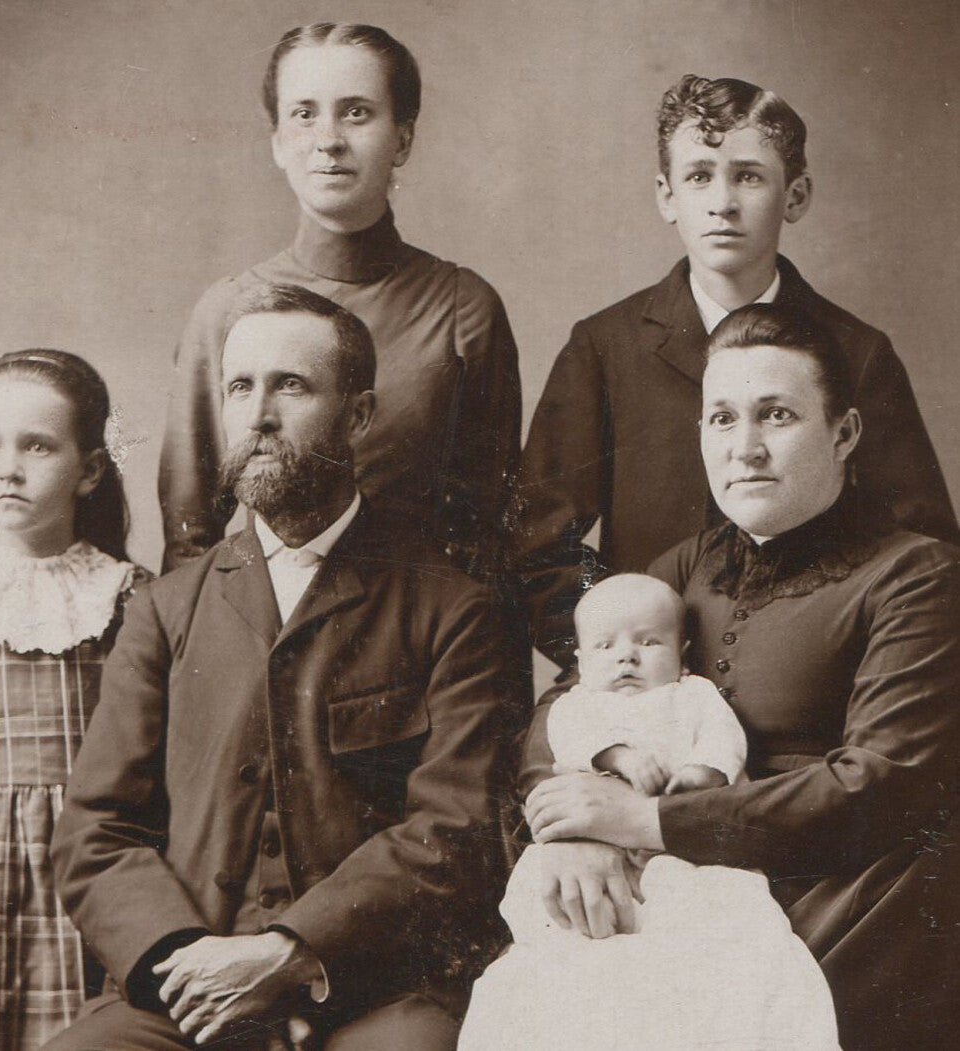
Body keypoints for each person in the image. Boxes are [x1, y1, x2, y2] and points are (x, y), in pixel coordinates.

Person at [46, 284, 518, 1050]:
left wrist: (291, 949)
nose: (259, 414)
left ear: (358, 415)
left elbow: (454, 826)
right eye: (241, 387)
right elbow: (95, 831)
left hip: (373, 988)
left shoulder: (451, 606)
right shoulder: (165, 611)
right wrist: (190, 962)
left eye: (290, 386)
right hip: (187, 990)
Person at [521, 304, 960, 1051]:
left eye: (776, 415)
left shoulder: (916, 574)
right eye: (721, 419)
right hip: (672, 884)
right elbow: (571, 701)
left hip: (844, 902)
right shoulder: (686, 566)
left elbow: (882, 781)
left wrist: (644, 822)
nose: (745, 447)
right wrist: (574, 823)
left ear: (845, 433)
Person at [510, 73, 958, 667]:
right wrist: (620, 656)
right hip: (650, 687)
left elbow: (924, 548)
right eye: (699, 176)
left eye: (748, 175)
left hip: (812, 685)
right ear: (666, 196)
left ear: (795, 196)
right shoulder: (605, 346)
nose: (722, 202)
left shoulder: (857, 352)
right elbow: (538, 545)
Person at [159, 22, 520, 577]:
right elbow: (189, 539)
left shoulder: (461, 308)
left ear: (402, 137)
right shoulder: (227, 311)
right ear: (277, 140)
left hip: (420, 636)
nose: (328, 140)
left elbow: (486, 535)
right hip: (267, 634)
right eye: (304, 114)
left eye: (356, 112)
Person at [460, 573, 838, 1051]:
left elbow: (724, 739)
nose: (626, 656)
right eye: (605, 646)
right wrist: (618, 755)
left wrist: (704, 773)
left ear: (681, 652)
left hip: (682, 842)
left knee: (713, 922)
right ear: (579, 660)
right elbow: (570, 741)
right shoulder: (579, 704)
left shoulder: (694, 695)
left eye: (648, 642)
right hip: (591, 840)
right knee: (561, 941)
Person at [0, 350, 149, 1050]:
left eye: (37, 445)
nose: (7, 467)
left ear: (91, 468)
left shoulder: (132, 596)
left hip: (103, 870)